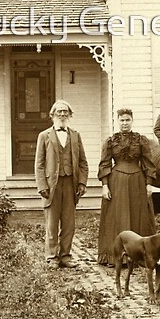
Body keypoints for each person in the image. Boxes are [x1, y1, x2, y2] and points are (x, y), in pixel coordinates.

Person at [97, 108, 158, 266]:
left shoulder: (140, 140)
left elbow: (148, 163)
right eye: (122, 120)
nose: (125, 123)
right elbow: (104, 164)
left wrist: (149, 184)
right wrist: (105, 186)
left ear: (132, 121)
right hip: (116, 182)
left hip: (137, 181)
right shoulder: (111, 141)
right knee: (118, 216)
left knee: (138, 215)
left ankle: (138, 255)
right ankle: (117, 255)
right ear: (118, 121)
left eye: (127, 120)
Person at [34, 99, 89, 269]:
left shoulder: (75, 135)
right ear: (53, 115)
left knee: (69, 223)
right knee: (52, 223)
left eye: (66, 111)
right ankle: (52, 256)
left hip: (70, 183)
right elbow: (39, 164)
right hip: (52, 185)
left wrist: (82, 183)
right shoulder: (44, 136)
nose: (62, 114)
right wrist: (42, 186)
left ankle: (65, 256)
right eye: (59, 111)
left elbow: (83, 162)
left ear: (70, 115)